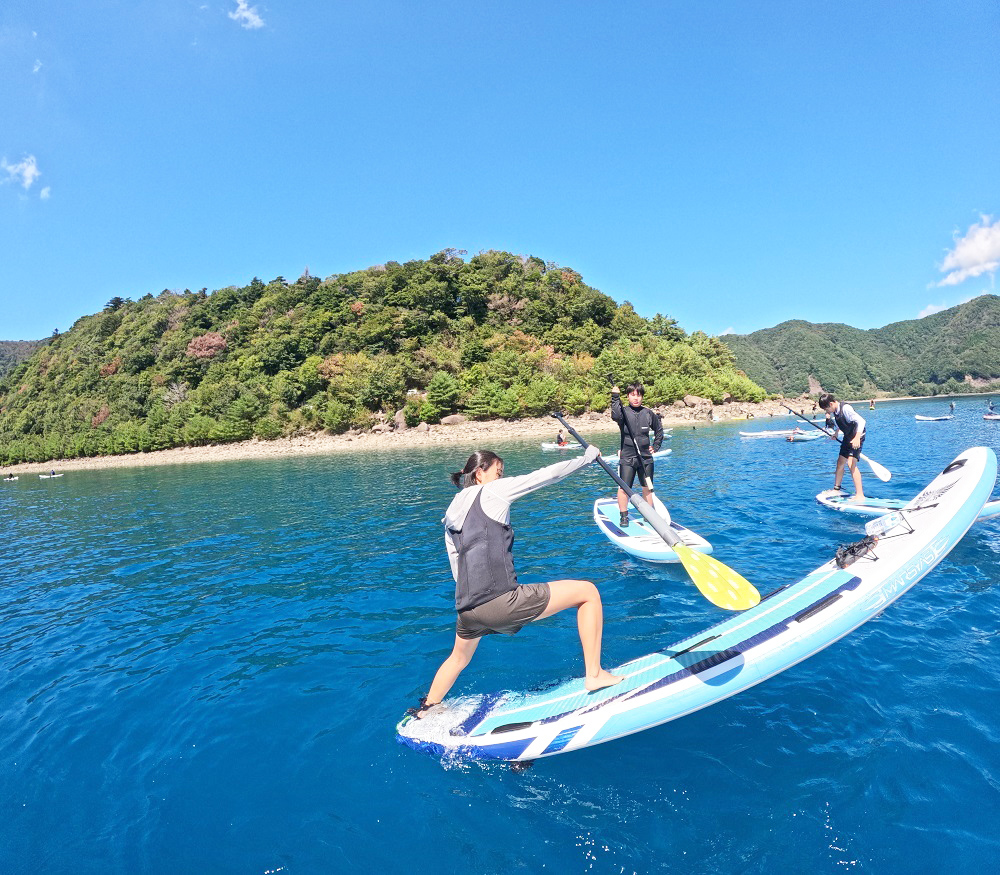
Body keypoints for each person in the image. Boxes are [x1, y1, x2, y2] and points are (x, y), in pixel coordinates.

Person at [412, 447, 622, 717]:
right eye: (498, 472)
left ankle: (426, 708)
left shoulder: (451, 511)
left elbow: (456, 564)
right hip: (501, 601)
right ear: (480, 474)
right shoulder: (493, 491)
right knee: (588, 592)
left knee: (458, 658)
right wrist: (586, 458)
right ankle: (594, 674)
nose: (501, 478)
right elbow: (546, 476)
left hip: (467, 609)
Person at [611, 382, 664, 526]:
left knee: (647, 488)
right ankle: (624, 516)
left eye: (639, 395)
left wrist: (656, 446)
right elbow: (615, 415)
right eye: (633, 395)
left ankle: (649, 515)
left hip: (645, 458)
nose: (636, 398)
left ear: (642, 397)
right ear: (628, 396)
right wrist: (615, 397)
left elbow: (659, 430)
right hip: (628, 458)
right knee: (624, 488)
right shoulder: (623, 412)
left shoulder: (648, 413)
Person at [819, 393, 867, 500]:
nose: (827, 411)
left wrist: (857, 438)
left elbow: (861, 421)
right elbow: (842, 423)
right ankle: (836, 489)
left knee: (851, 464)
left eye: (826, 409)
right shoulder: (835, 411)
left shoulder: (846, 408)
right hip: (848, 437)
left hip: (857, 437)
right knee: (840, 462)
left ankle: (860, 495)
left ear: (831, 404)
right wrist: (836, 433)